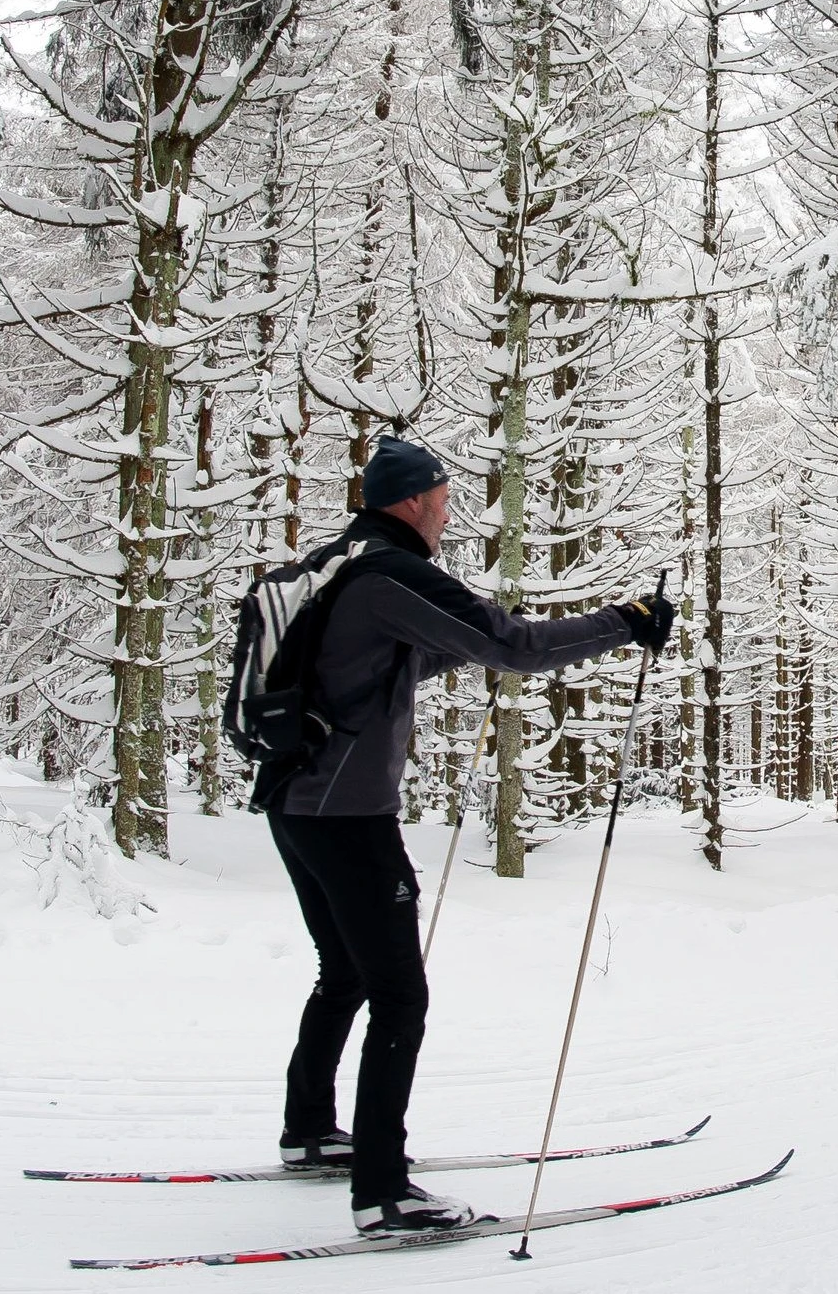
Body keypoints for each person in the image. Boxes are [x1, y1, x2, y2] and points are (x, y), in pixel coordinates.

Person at [265, 436, 674, 1236]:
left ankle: (310, 1128)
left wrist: (454, 653)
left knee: (344, 971)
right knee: (400, 995)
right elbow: (514, 644)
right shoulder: (391, 571)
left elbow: (367, 672)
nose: (449, 514)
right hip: (348, 816)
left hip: (295, 804)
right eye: (445, 499)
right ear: (413, 499)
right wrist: (624, 623)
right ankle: (385, 1189)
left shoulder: (337, 565)